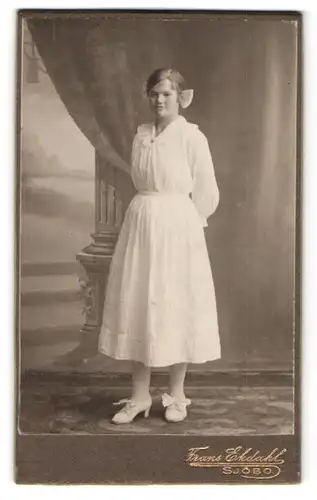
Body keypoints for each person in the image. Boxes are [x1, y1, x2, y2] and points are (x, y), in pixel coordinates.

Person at [98, 68, 221, 424]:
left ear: (181, 97)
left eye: (167, 93)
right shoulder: (141, 135)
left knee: (176, 302)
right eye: (154, 93)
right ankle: (139, 397)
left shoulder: (192, 137)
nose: (160, 100)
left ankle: (177, 395)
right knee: (140, 302)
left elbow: (207, 189)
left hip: (178, 224)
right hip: (141, 222)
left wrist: (189, 225)